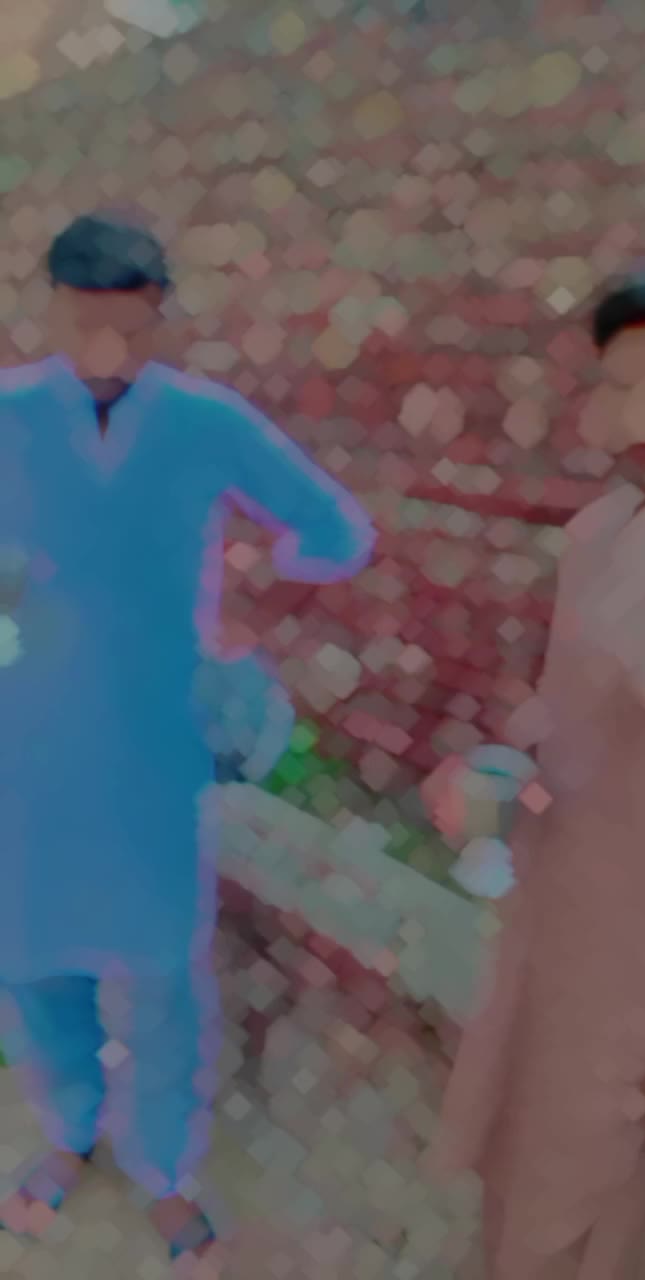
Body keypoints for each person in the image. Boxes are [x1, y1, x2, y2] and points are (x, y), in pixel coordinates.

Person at [0, 213, 375, 1269]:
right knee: (30, 956)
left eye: (130, 328)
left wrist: (248, 605)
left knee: (163, 967)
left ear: (160, 316)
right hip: (21, 741)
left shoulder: (206, 422)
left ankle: (163, 1169)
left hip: (152, 738)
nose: (107, 350)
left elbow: (338, 532)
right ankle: (69, 1130)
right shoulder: (8, 415)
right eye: (85, 324)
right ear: (49, 311)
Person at [422, 263, 645, 1279]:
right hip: (561, 938)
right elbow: (567, 725)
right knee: (525, 1190)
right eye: (618, 386)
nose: (639, 418)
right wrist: (503, 775)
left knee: (624, 1222)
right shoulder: (601, 536)